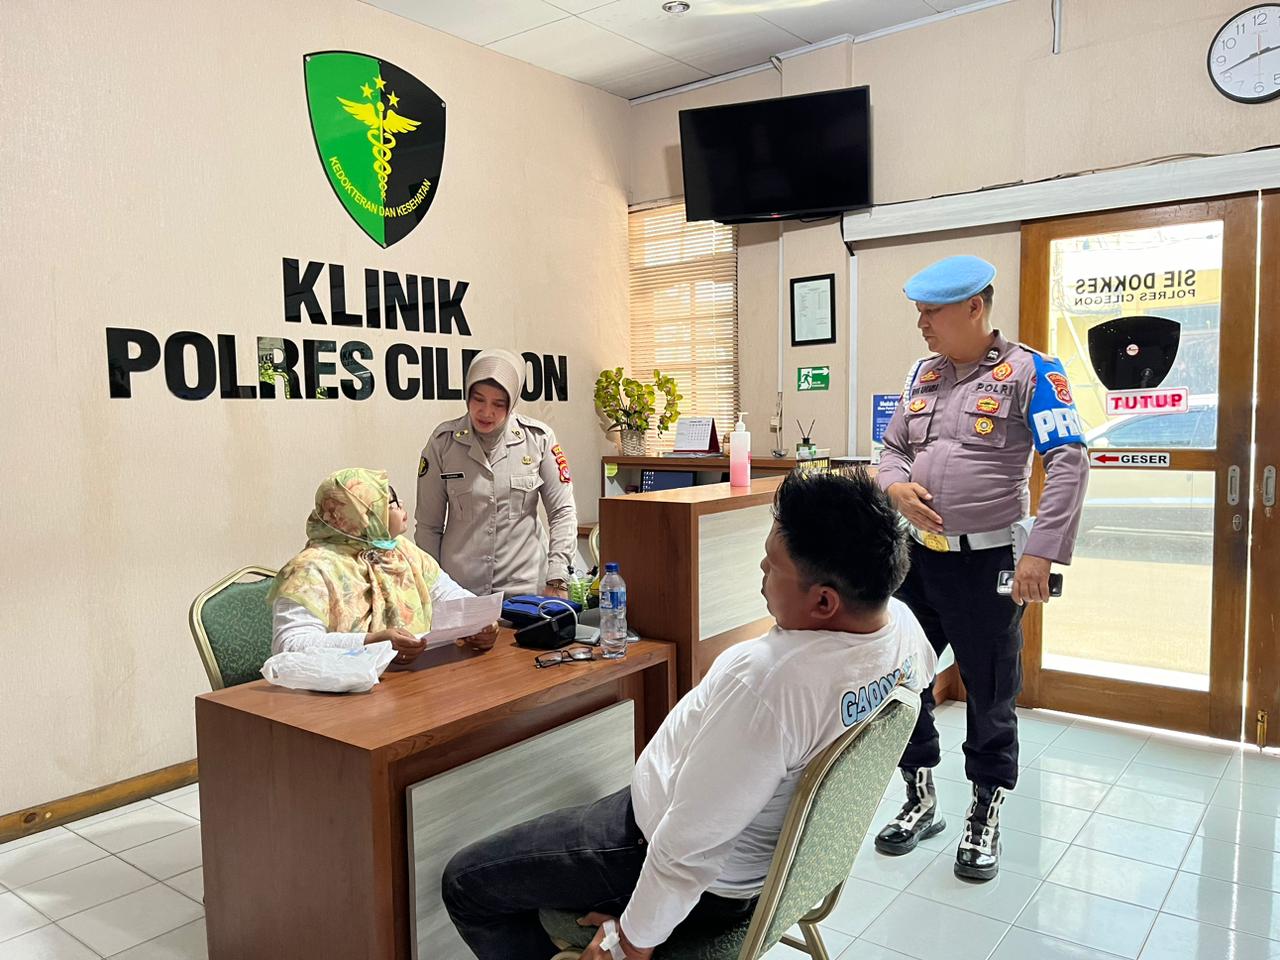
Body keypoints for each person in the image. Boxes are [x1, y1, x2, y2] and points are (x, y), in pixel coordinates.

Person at [441, 469, 935, 960]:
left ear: (824, 601)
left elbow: (690, 847)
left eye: (773, 565)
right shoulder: (903, 629)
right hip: (771, 869)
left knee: (466, 883)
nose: (761, 569)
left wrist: (631, 939)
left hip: (683, 869)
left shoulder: (769, 683)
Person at [872, 255, 1088, 881]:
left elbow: (1069, 461)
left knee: (990, 693)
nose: (921, 324)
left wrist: (1040, 551)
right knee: (898, 677)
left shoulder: (1031, 372)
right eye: (919, 312)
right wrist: (894, 487)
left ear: (974, 308)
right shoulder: (923, 374)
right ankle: (920, 799)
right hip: (916, 559)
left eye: (931, 313)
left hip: (989, 563)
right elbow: (893, 449)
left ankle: (983, 813)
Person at [270, 468, 498, 665]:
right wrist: (370, 642)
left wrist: (479, 623)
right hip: (342, 688)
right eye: (390, 503)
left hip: (413, 677)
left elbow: (445, 593)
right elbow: (289, 645)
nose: (401, 506)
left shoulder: (400, 549)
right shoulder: (310, 569)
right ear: (364, 515)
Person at [415, 348, 578, 599]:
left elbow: (562, 512)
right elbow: (428, 526)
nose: (486, 412)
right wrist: (431, 590)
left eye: (498, 404)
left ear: (512, 403)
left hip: (525, 589)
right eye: (478, 399)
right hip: (461, 592)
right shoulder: (443, 443)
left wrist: (557, 578)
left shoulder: (538, 439)